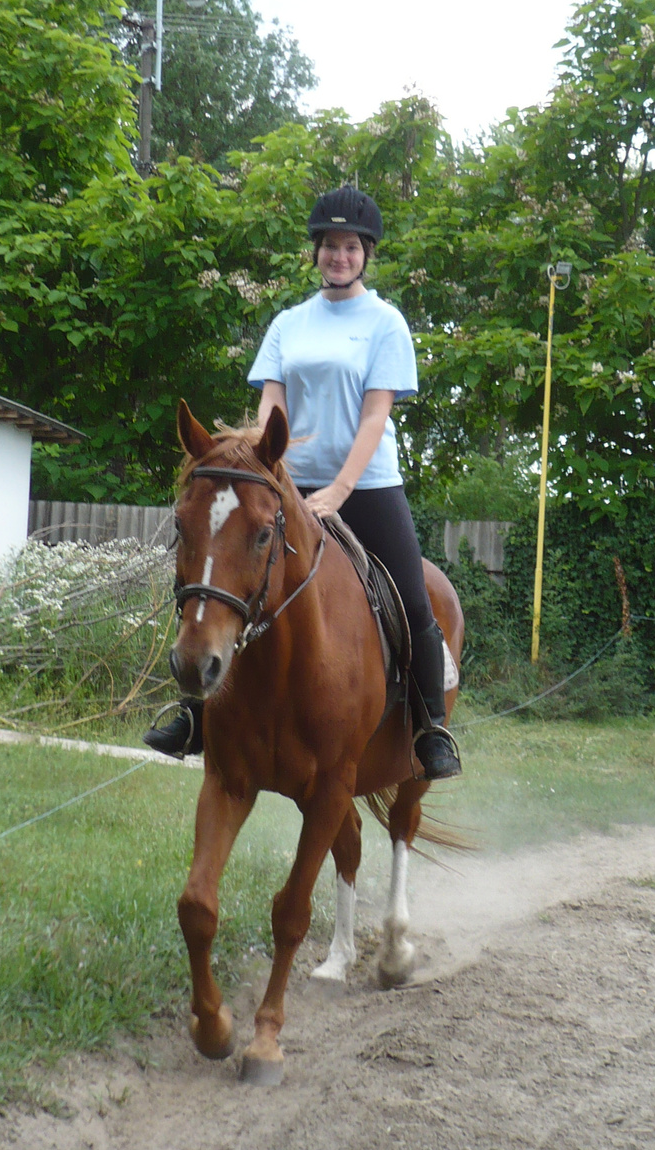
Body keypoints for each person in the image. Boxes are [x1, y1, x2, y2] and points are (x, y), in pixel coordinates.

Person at [145, 185, 460, 779]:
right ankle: (195, 713)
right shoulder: (288, 323)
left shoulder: (385, 324)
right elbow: (270, 408)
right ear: (315, 253)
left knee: (415, 601)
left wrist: (339, 491)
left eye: (349, 246)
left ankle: (429, 729)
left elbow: (375, 416)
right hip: (285, 484)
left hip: (366, 486)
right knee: (217, 574)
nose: (338, 256)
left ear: (365, 253)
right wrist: (256, 467)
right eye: (328, 246)